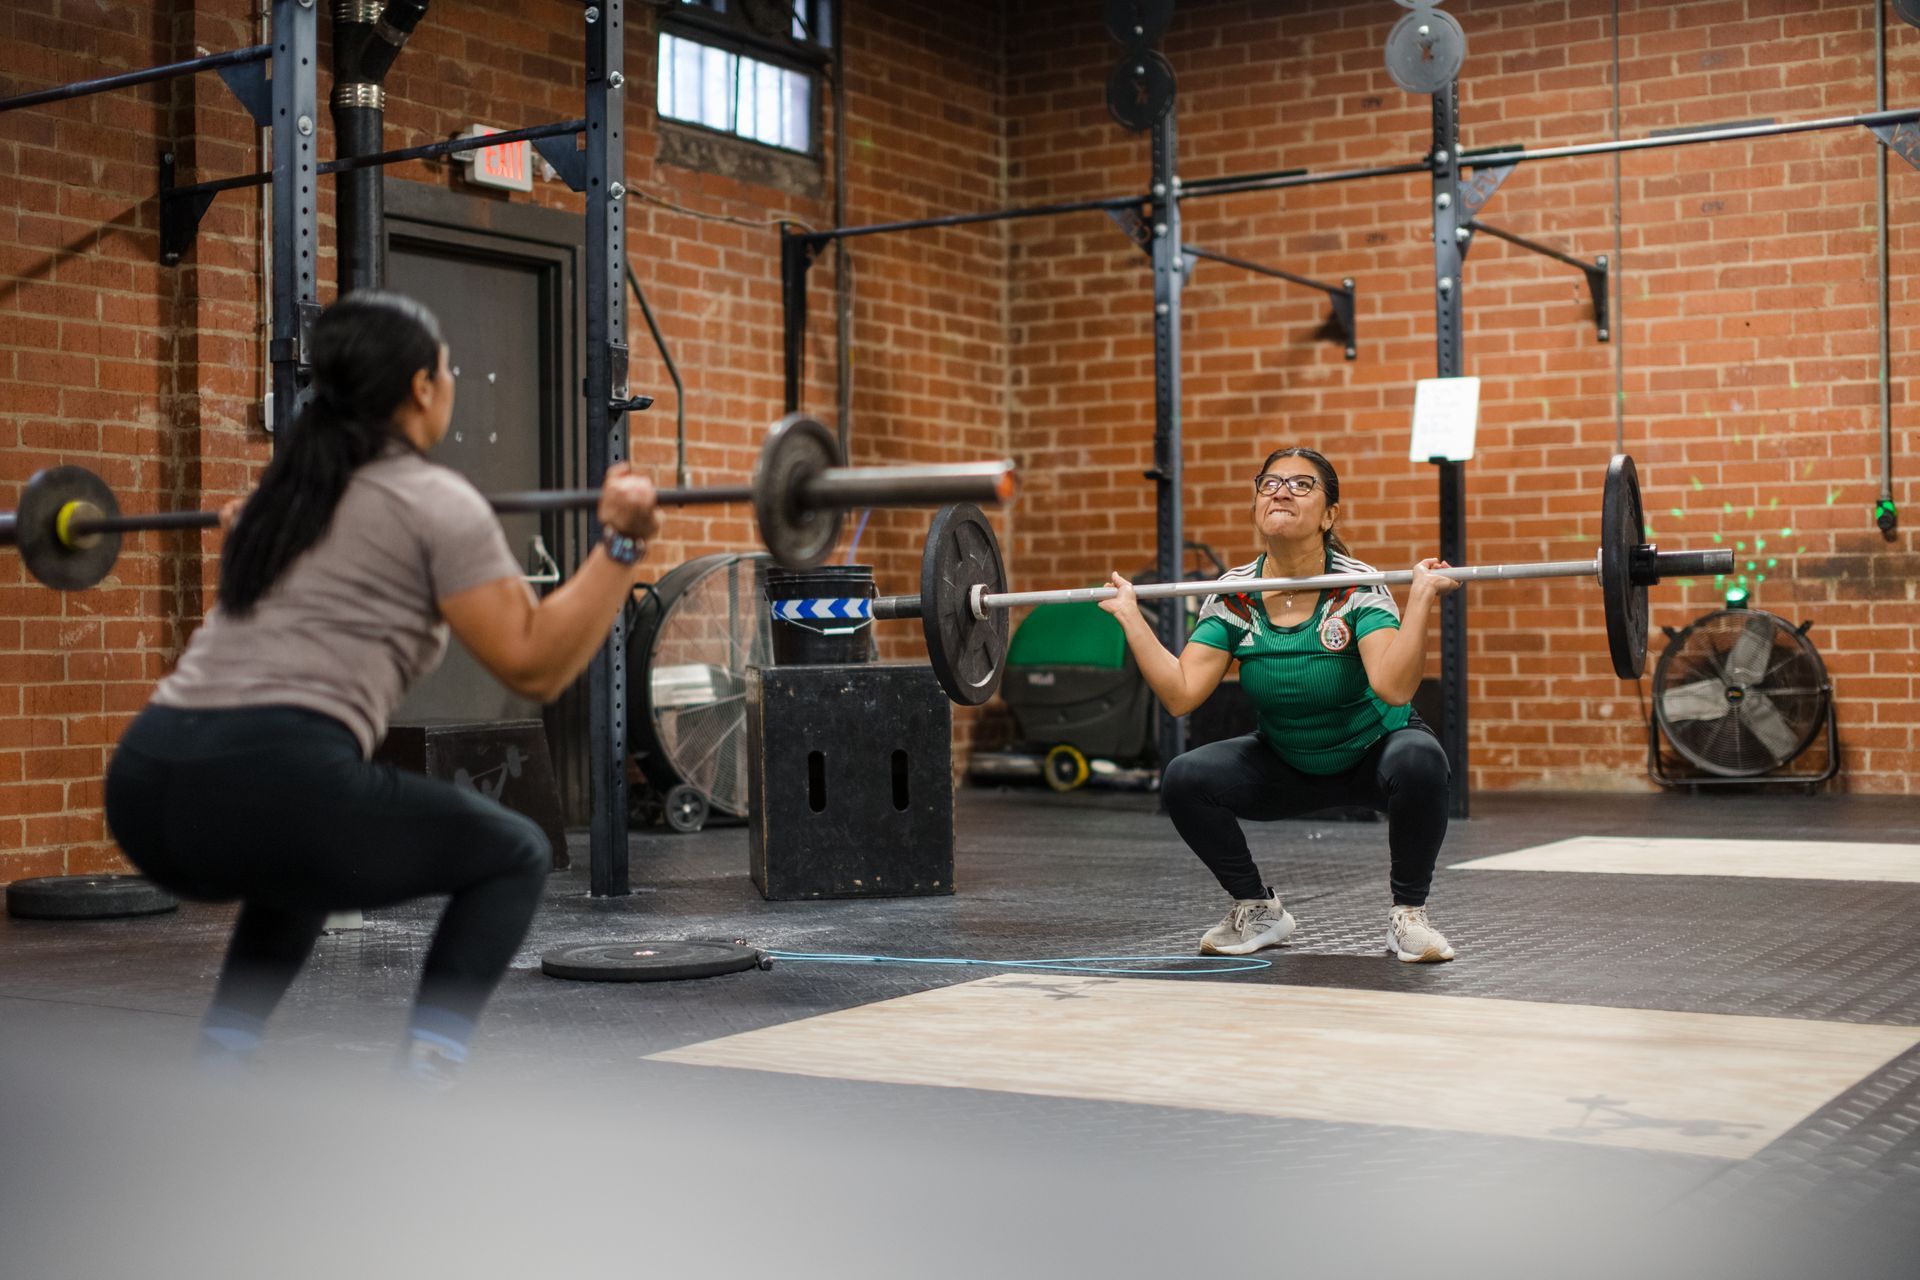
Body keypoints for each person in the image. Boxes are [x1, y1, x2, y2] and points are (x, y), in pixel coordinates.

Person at [103, 291, 660, 1080]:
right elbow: (532, 663)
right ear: (423, 388)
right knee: (513, 852)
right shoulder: (436, 502)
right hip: (271, 780)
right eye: (447, 370)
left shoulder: (279, 503)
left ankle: (219, 1065)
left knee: (297, 863)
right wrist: (620, 542)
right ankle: (425, 1081)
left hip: (145, 785)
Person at [1099, 446, 1461, 963]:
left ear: (1330, 514)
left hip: (1372, 754)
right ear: (1256, 504)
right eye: (1269, 483)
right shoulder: (1235, 594)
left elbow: (1395, 688)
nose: (1281, 491)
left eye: (1301, 484)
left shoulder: (1356, 585)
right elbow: (1181, 693)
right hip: (1286, 760)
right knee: (1185, 777)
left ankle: (1408, 916)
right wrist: (1132, 618)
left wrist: (1421, 600)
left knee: (1421, 759)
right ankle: (1259, 907)